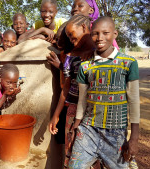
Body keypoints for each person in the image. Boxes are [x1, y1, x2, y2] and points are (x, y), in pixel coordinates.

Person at [69, 16, 140, 169]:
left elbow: (134, 101)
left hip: (116, 134)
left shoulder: (128, 63)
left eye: (105, 33)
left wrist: (134, 137)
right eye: (95, 33)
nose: (100, 38)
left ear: (115, 34)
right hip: (88, 131)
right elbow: (82, 101)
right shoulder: (85, 67)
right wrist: (75, 127)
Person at [48, 14, 95, 168]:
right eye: (67, 36)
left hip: (94, 111)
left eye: (71, 34)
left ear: (84, 27)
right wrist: (55, 115)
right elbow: (66, 87)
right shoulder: (70, 58)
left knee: (94, 152)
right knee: (73, 148)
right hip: (73, 111)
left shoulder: (99, 53)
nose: (70, 39)